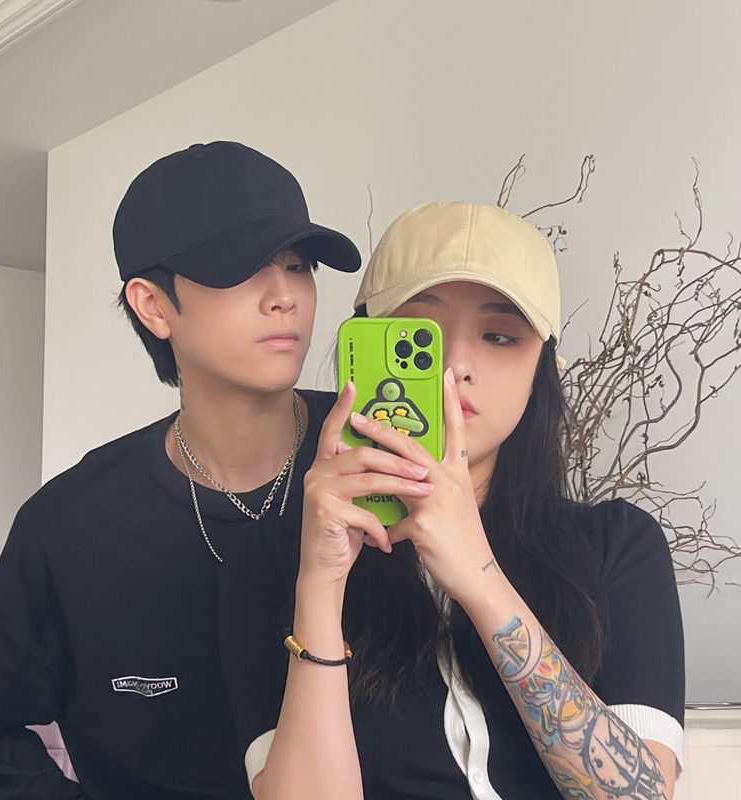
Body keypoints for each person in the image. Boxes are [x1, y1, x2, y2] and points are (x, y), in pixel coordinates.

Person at [220, 202, 685, 799]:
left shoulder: (618, 545)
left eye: (499, 336)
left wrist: (479, 576)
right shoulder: (272, 558)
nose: (455, 364)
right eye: (419, 334)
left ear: (541, 368)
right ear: (362, 346)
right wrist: (321, 585)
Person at [0, 141, 361, 799]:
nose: (285, 296)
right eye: (242, 269)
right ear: (153, 305)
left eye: (298, 265)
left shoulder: (374, 464)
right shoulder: (70, 523)